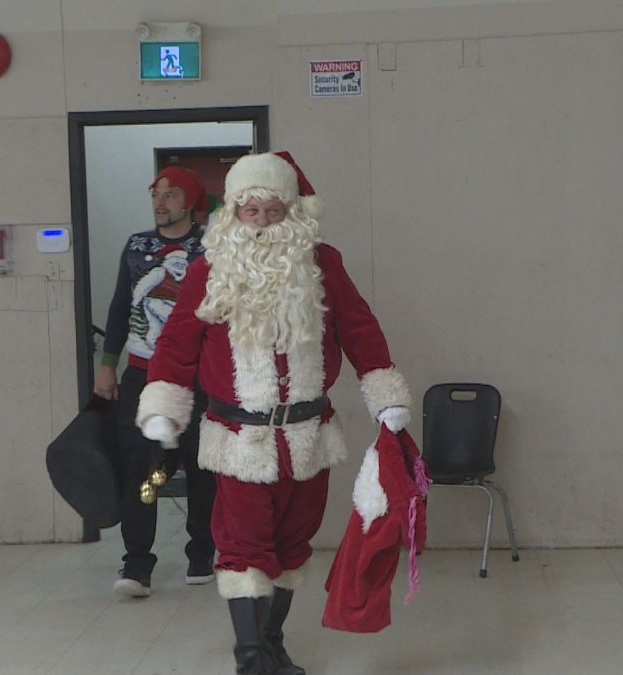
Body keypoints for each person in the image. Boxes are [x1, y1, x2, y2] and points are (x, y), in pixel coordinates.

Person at [135, 152, 412, 675]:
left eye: (272, 211)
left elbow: (359, 328)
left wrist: (385, 392)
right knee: (242, 545)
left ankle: (271, 640)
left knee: (293, 543)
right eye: (250, 211)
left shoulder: (322, 263)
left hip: (308, 434)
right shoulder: (207, 270)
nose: (261, 222)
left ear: (291, 211)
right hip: (239, 438)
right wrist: (164, 405)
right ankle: (250, 655)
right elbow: (175, 344)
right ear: (233, 213)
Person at [94, 165, 217, 598]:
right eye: (155, 193)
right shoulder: (137, 246)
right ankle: (137, 563)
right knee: (143, 469)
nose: (160, 201)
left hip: (197, 373)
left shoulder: (210, 246)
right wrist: (108, 365)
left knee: (202, 465)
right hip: (143, 373)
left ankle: (202, 550)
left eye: (170, 194)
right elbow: (118, 306)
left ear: (190, 201)